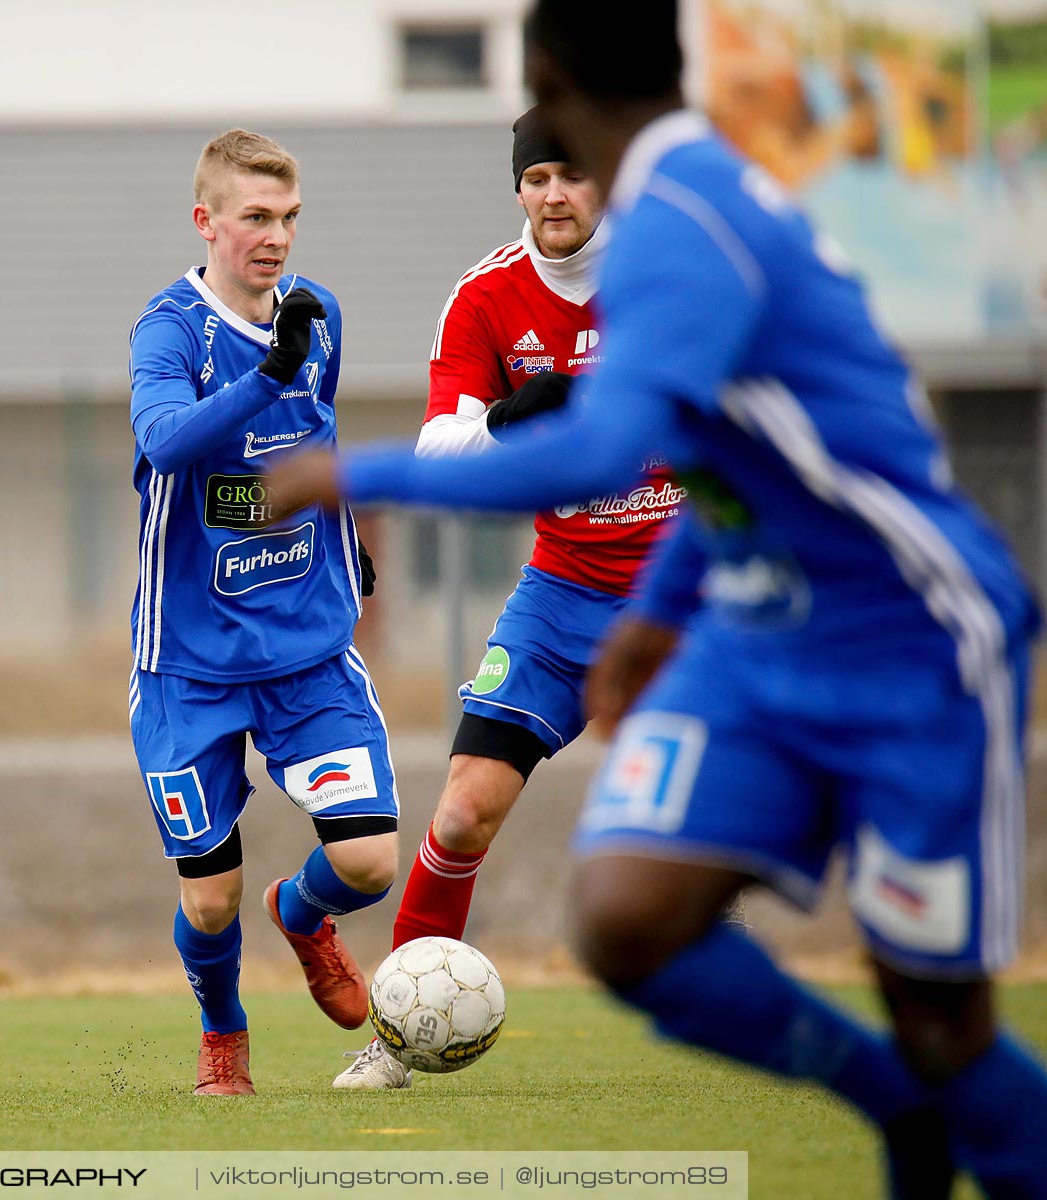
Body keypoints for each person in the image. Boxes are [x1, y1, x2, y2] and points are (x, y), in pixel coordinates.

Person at [265, 2, 1047, 1193]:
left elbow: (612, 449)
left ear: (554, 81)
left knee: (941, 1013)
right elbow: (711, 444)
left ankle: (937, 1105)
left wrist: (348, 473)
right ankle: (898, 1107)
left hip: (906, 628)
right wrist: (659, 608)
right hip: (735, 611)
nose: (550, 188)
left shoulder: (678, 228)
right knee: (629, 921)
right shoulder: (656, 213)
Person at [335, 108, 686, 1091]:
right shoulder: (489, 296)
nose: (554, 196)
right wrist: (508, 416)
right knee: (459, 814)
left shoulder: (665, 280)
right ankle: (398, 1039)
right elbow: (438, 453)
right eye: (537, 178)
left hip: (684, 599)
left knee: (719, 826)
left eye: (572, 175)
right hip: (564, 590)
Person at [127, 129, 400, 1097]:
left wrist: (345, 537)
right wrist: (265, 380)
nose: (276, 237)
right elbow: (165, 445)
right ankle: (223, 1030)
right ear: (207, 222)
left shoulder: (318, 320)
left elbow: (308, 450)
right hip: (189, 666)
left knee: (368, 860)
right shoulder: (168, 331)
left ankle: (303, 914)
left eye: (288, 218)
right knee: (208, 904)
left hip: (305, 654)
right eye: (255, 218)